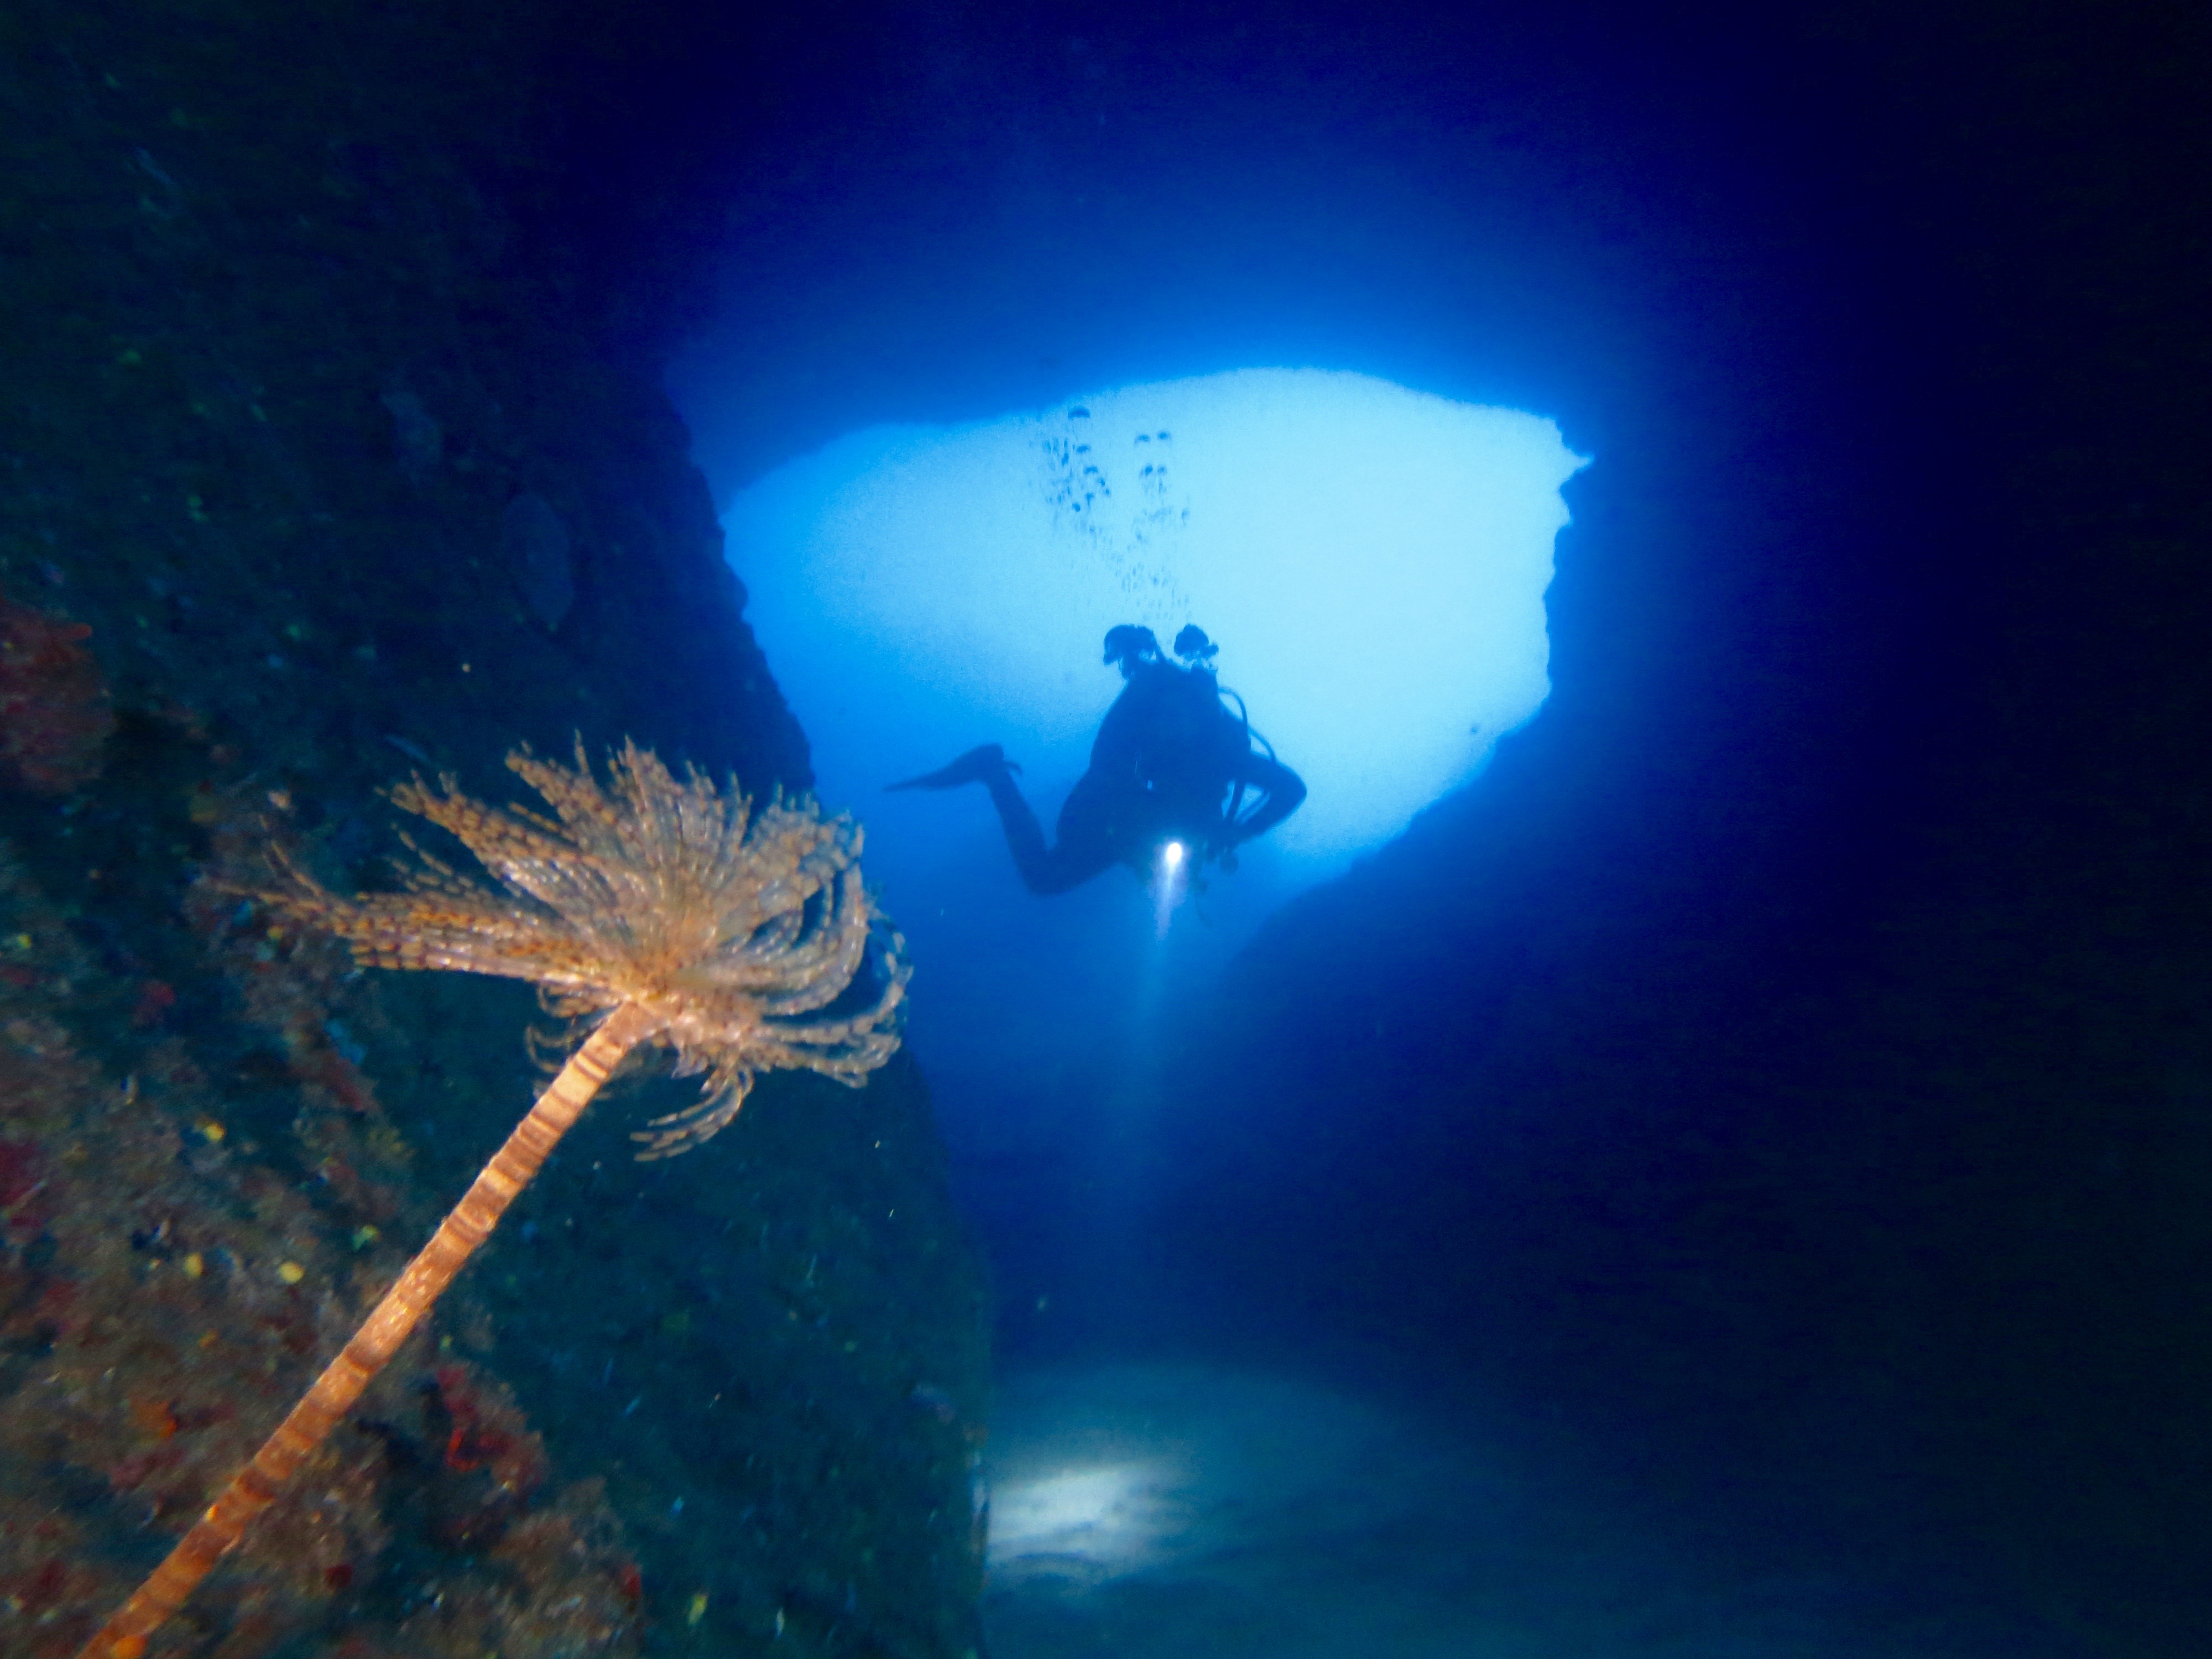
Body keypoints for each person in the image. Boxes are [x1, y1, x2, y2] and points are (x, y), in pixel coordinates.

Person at [890, 623, 1306, 895]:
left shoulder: (1222, 751)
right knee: (1044, 877)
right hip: (1133, 815)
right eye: (1163, 714)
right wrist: (1130, 845)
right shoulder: (1140, 733)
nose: (1170, 725)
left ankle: (992, 773)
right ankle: (993, 773)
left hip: (1168, 824)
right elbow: (1101, 785)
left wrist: (1239, 833)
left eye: (1179, 715)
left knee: (1046, 878)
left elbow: (1291, 790)